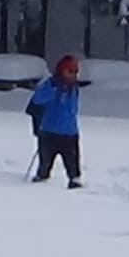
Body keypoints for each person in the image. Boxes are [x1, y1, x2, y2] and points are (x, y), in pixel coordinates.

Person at [27, 54, 83, 189]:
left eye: (75, 72)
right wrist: (54, 90)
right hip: (49, 133)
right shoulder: (51, 84)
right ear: (61, 71)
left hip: (70, 133)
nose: (73, 75)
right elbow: (37, 99)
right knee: (45, 162)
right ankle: (41, 180)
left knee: (73, 163)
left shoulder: (74, 88)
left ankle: (75, 181)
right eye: (70, 71)